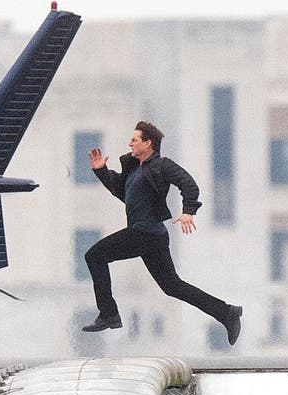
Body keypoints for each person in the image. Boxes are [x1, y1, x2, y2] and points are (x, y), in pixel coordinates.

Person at [82, 121, 242, 345]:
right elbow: (122, 193)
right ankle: (226, 313)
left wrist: (189, 211)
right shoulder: (134, 169)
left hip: (145, 232)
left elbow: (189, 185)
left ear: (148, 144)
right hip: (151, 235)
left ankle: (108, 313)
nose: (130, 143)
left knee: (94, 256)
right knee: (172, 286)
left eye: (135, 139)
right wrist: (101, 171)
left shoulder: (161, 165)